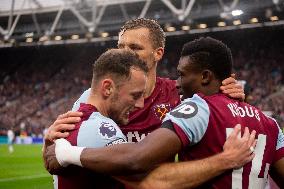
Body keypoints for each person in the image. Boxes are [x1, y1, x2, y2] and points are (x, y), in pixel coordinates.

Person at [46, 37, 284, 189]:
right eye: (121, 47)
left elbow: (139, 166)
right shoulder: (270, 123)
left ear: (205, 76)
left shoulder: (197, 107)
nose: (178, 83)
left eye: (182, 74)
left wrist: (68, 153)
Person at [49, 48, 149, 189]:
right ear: (107, 88)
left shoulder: (77, 112)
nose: (141, 104)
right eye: (135, 95)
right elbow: (150, 182)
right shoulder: (100, 128)